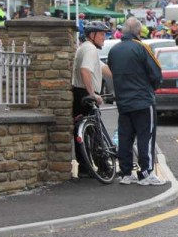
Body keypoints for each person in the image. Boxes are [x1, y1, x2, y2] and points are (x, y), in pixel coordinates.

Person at [107, 17, 165, 186]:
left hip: (123, 100)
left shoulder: (114, 50)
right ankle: (145, 173)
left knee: (125, 137)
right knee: (145, 137)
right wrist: (151, 88)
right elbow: (156, 74)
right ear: (139, 32)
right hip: (142, 100)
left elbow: (112, 69)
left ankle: (125, 173)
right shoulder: (142, 48)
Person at [71, 21, 112, 177]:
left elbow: (102, 68)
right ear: (92, 35)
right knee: (94, 131)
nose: (104, 38)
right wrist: (92, 94)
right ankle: (102, 167)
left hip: (79, 93)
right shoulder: (90, 49)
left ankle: (85, 168)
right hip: (85, 93)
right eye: (101, 34)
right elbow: (85, 70)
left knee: (83, 131)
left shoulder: (86, 47)